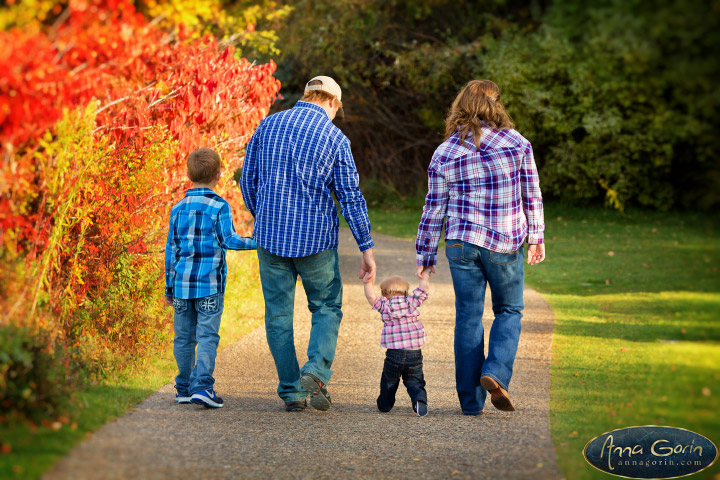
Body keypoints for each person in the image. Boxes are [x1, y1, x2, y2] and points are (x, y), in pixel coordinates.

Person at [240, 75, 376, 412]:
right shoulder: (334, 138)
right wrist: (366, 248)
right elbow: (350, 197)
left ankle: (291, 392)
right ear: (332, 103)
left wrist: (264, 215)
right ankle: (315, 370)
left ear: (307, 96)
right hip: (315, 242)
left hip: (270, 240)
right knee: (326, 307)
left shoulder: (268, 125)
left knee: (278, 316)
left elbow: (248, 180)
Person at [415, 80, 546, 416]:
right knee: (509, 311)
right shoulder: (517, 143)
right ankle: (495, 372)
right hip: (505, 241)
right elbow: (532, 194)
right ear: (494, 106)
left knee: (468, 318)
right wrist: (537, 237)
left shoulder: (444, 151)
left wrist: (425, 255)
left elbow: (434, 207)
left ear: (460, 108)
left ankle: (471, 403)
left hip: (461, 244)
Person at [164, 147, 257, 408]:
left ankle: (183, 388)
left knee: (183, 338)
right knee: (207, 337)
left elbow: (171, 252)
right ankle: (202, 387)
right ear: (218, 174)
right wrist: (259, 243)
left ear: (189, 174)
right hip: (209, 286)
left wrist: (169, 289)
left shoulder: (177, 208)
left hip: (181, 286)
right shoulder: (219, 206)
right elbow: (229, 240)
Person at [364, 272, 430, 417]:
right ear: (405, 292)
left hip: (394, 354)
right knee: (415, 379)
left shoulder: (385, 305)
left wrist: (367, 282)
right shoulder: (411, 302)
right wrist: (425, 275)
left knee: (389, 380)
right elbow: (423, 289)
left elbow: (370, 297)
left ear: (384, 293)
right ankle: (419, 400)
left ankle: (385, 404)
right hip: (414, 353)